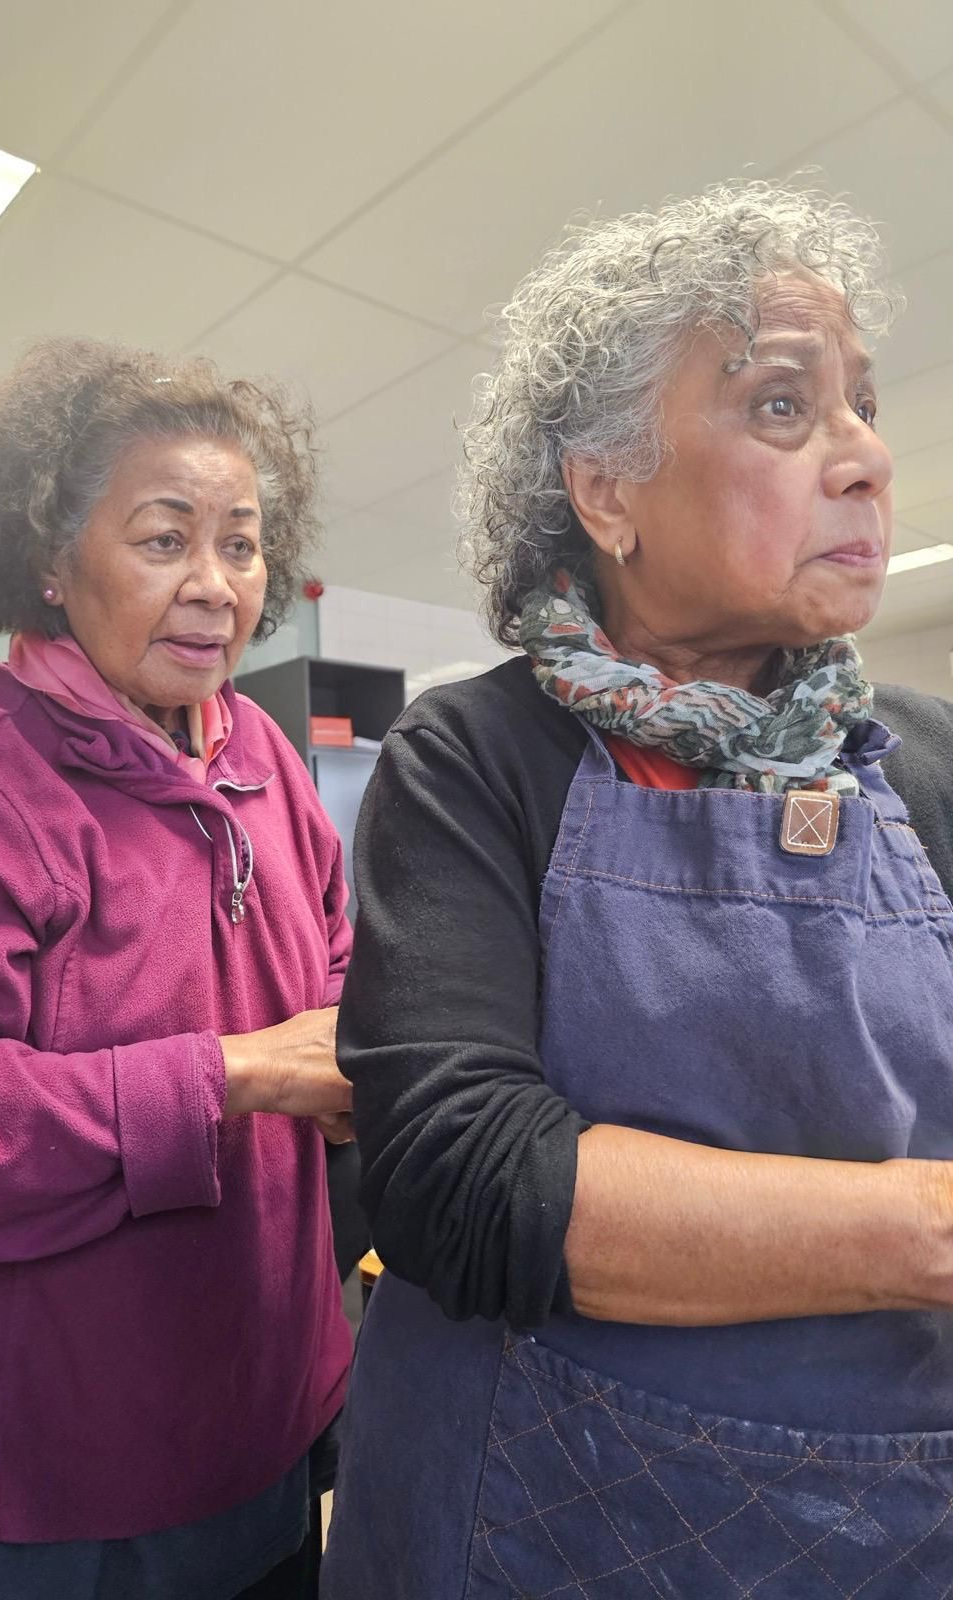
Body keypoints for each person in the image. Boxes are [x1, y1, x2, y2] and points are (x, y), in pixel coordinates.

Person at [323, 182, 953, 1598]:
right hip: (545, 1514)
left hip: (889, 1518)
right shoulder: (479, 755)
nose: (866, 456)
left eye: (861, 403)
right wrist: (926, 1228)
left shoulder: (923, 761)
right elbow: (456, 1175)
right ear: (608, 492)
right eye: (783, 406)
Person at [0, 340, 354, 1600]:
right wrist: (232, 1075)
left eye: (242, 543)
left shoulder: (261, 753)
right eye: (165, 539)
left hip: (267, 1394)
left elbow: (332, 960)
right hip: (57, 1459)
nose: (215, 585)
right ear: (50, 561)